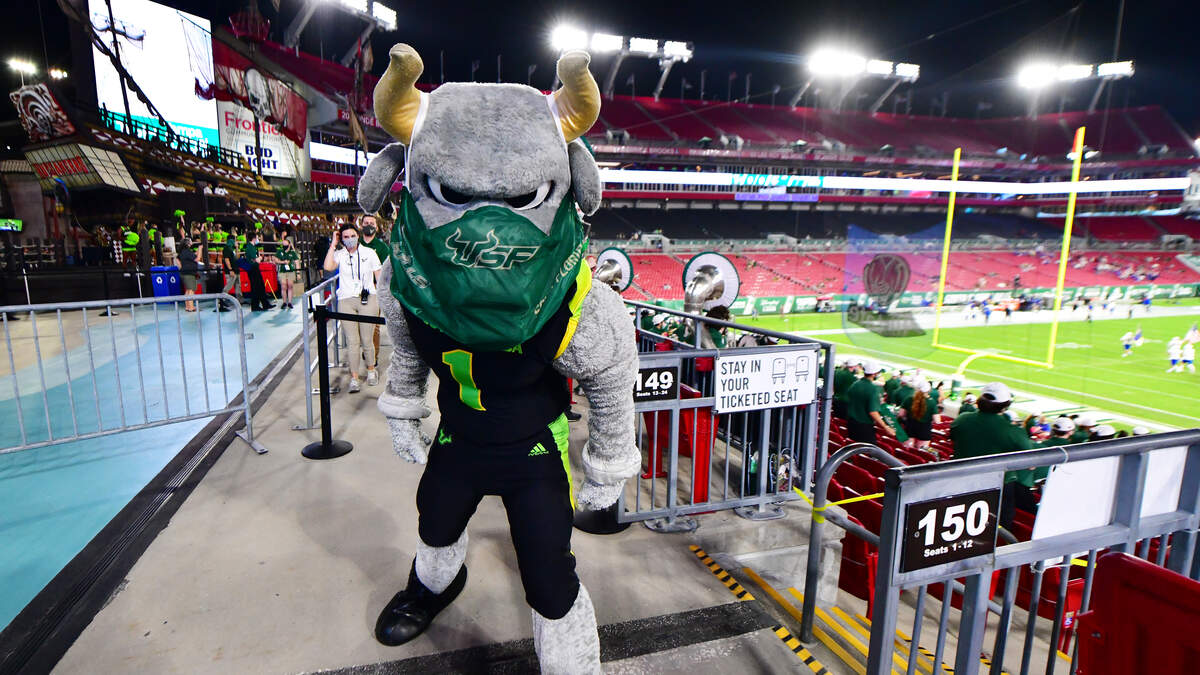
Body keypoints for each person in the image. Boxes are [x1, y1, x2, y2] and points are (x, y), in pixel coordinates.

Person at [949, 382, 1034, 528]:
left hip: (962, 480)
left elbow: (953, 437)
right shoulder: (1012, 430)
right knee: (998, 525)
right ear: (1005, 405)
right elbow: (1032, 463)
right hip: (997, 486)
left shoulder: (962, 419)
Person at [324, 223, 382, 393]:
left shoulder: (369, 253)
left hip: (367, 299)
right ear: (341, 239)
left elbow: (379, 277)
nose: (350, 239)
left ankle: (371, 370)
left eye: (352, 236)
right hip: (346, 300)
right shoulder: (340, 255)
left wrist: (381, 297)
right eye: (346, 237)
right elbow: (327, 267)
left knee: (367, 339)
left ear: (358, 236)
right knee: (352, 341)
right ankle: (354, 377)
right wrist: (333, 244)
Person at [361, 214, 391, 368]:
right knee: (359, 326)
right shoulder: (355, 243)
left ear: (377, 227)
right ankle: (366, 348)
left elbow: (385, 271)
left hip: (373, 291)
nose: (369, 225)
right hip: (355, 291)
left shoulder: (382, 248)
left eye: (372, 223)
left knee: (374, 327)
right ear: (361, 225)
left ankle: (373, 355)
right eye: (366, 222)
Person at [845, 360, 895, 444]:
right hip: (864, 426)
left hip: (851, 422)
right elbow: (873, 412)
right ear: (874, 374)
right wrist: (886, 427)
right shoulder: (873, 389)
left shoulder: (855, 384)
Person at [901, 379, 939, 450]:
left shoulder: (909, 399)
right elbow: (937, 420)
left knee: (907, 452)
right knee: (921, 453)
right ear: (929, 390)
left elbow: (901, 414)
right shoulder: (932, 402)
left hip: (910, 427)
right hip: (924, 430)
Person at [242, 231, 274, 311]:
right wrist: (260, 258)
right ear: (253, 238)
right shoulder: (250, 248)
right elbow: (256, 260)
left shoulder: (253, 247)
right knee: (256, 287)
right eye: (257, 237)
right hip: (253, 269)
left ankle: (265, 304)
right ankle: (255, 306)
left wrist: (259, 258)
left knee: (260, 286)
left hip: (255, 268)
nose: (258, 239)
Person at [273, 236, 301, 309]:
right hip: (282, 271)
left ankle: (290, 302)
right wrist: (283, 262)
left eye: (286, 245)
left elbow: (297, 262)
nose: (284, 246)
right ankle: (284, 302)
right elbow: (275, 260)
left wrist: (298, 273)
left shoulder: (292, 253)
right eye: (283, 245)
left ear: (289, 245)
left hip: (290, 271)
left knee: (290, 286)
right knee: (283, 286)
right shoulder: (280, 252)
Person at [217, 231, 240, 312]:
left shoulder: (232, 249)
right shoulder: (226, 248)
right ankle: (221, 301)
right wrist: (230, 269)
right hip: (231, 271)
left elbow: (237, 257)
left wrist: (237, 248)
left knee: (238, 286)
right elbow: (226, 259)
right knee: (228, 286)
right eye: (234, 240)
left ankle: (239, 301)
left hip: (236, 270)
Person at [178, 238, 200, 312]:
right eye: (190, 242)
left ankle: (188, 306)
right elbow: (197, 259)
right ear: (187, 244)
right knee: (190, 290)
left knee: (188, 290)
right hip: (189, 274)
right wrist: (200, 249)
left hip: (184, 273)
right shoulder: (187, 251)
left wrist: (198, 250)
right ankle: (191, 307)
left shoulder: (183, 252)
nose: (192, 243)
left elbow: (193, 255)